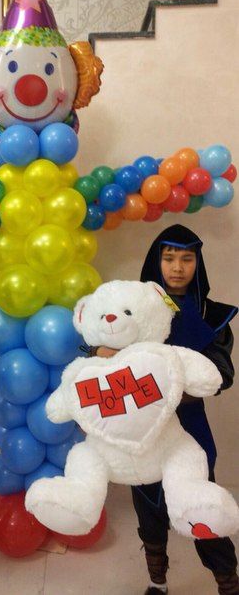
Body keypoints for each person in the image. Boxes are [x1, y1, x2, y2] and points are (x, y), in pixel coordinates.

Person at [96, 224, 238, 595]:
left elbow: (222, 376)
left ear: (197, 263)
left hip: (189, 427)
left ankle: (228, 583)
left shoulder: (211, 315)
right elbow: (93, 342)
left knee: (200, 506)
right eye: (169, 258)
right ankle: (156, 582)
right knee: (147, 505)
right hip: (142, 429)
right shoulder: (134, 310)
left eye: (187, 259)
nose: (177, 267)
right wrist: (98, 352)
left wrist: (168, 385)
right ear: (155, 261)